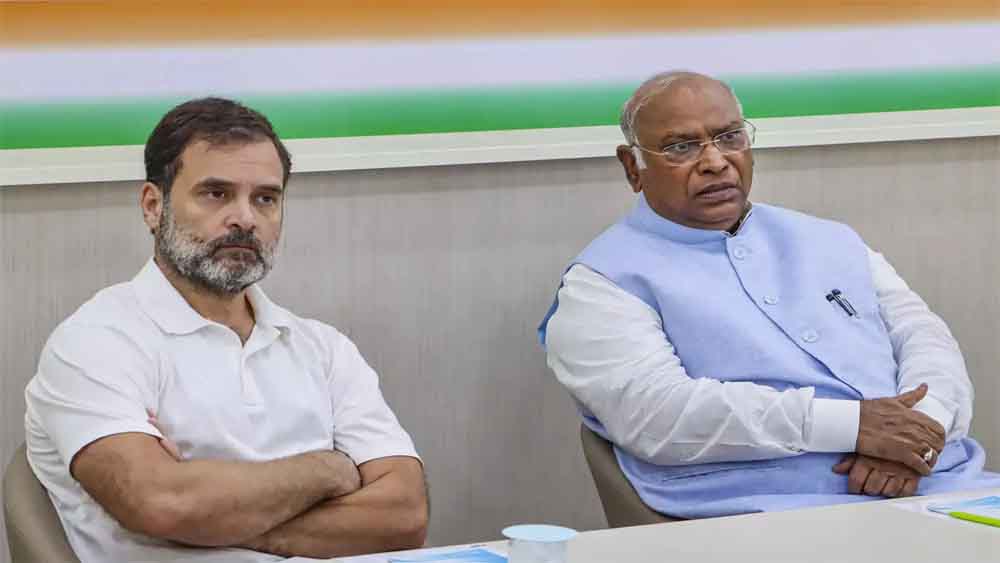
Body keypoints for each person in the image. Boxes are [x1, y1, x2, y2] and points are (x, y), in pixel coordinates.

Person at [539, 71, 1000, 519]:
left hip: (938, 484)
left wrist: (920, 431)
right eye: (681, 147)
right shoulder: (602, 283)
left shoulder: (830, 239)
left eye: (729, 138)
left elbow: (924, 336)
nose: (715, 161)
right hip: (767, 511)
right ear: (632, 167)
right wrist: (854, 428)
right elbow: (658, 415)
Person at [24, 97, 428, 562]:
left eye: (265, 198)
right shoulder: (95, 343)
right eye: (216, 193)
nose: (245, 218)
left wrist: (220, 521)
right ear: (153, 206)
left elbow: (404, 515)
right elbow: (162, 503)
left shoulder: (323, 348)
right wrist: (329, 470)